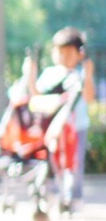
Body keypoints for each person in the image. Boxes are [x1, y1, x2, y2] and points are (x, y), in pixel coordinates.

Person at [22, 26, 96, 206]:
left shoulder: (79, 75)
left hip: (76, 126)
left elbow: (89, 97)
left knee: (74, 164)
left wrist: (88, 74)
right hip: (52, 127)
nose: (63, 57)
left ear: (79, 54)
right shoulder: (50, 74)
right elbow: (36, 94)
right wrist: (30, 73)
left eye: (68, 53)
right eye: (60, 52)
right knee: (51, 161)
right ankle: (54, 193)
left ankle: (74, 197)